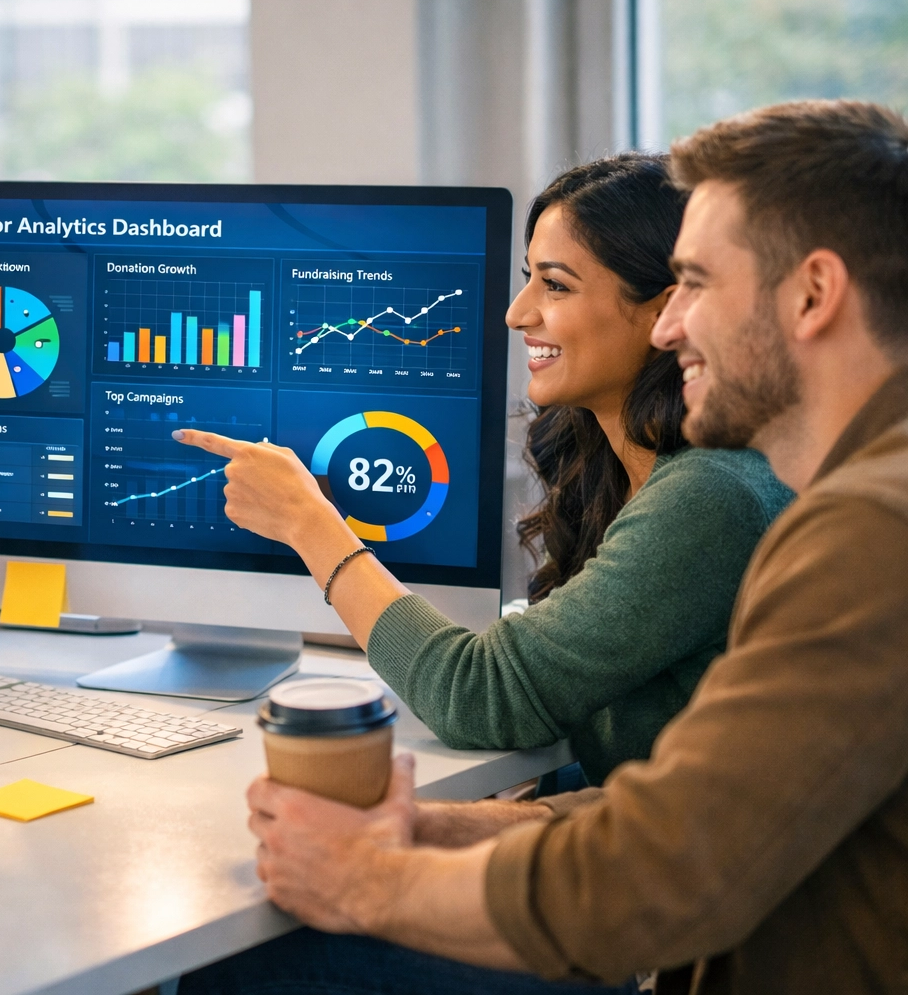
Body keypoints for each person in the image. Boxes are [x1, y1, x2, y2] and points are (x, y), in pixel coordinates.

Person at [183, 99, 908, 994]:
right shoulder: (851, 503)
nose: (672, 324)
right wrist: (451, 830)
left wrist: (368, 879)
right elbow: (719, 803)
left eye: (698, 285)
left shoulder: (869, 532)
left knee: (251, 959)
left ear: (813, 294)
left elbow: (665, 870)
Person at [179, 154, 792, 786]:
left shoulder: (713, 492)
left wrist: (311, 524)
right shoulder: (632, 467)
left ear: (668, 314)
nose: (517, 312)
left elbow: (480, 696)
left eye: (555, 285)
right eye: (530, 278)